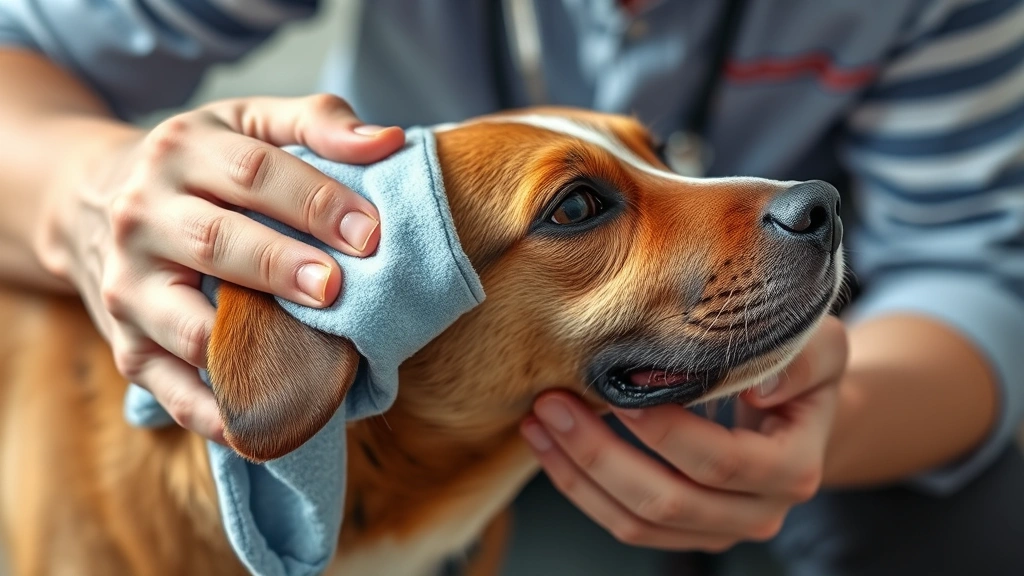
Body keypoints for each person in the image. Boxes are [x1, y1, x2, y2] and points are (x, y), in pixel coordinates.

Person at [0, 1, 1022, 574]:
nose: (795, 208)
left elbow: (980, 270)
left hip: (825, 387)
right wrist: (87, 187)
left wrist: (825, 419)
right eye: (581, 207)